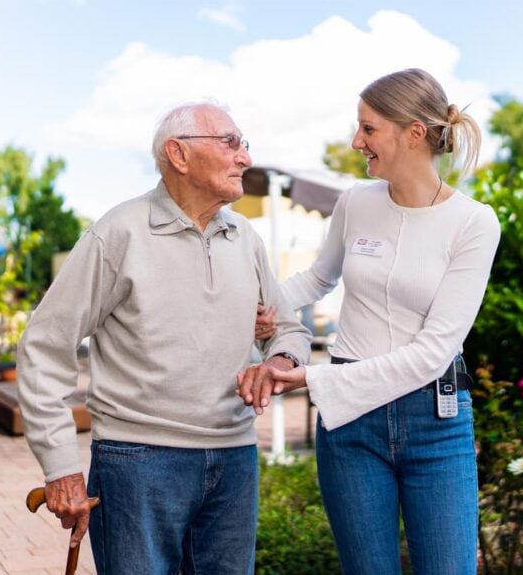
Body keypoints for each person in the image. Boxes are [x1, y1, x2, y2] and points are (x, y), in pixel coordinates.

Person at [17, 102, 311, 575]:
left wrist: (278, 360)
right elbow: (44, 345)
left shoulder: (246, 238)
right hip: (138, 462)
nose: (245, 158)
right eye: (231, 143)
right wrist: (60, 465)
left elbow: (288, 328)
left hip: (235, 458)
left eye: (245, 145)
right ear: (178, 154)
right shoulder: (119, 232)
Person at [239, 68, 501, 574]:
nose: (356, 141)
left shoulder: (473, 223)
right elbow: (317, 279)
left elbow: (433, 352)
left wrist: (314, 378)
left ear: (414, 134)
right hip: (351, 426)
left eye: (368, 128)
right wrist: (260, 309)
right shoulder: (356, 202)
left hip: (434, 422)